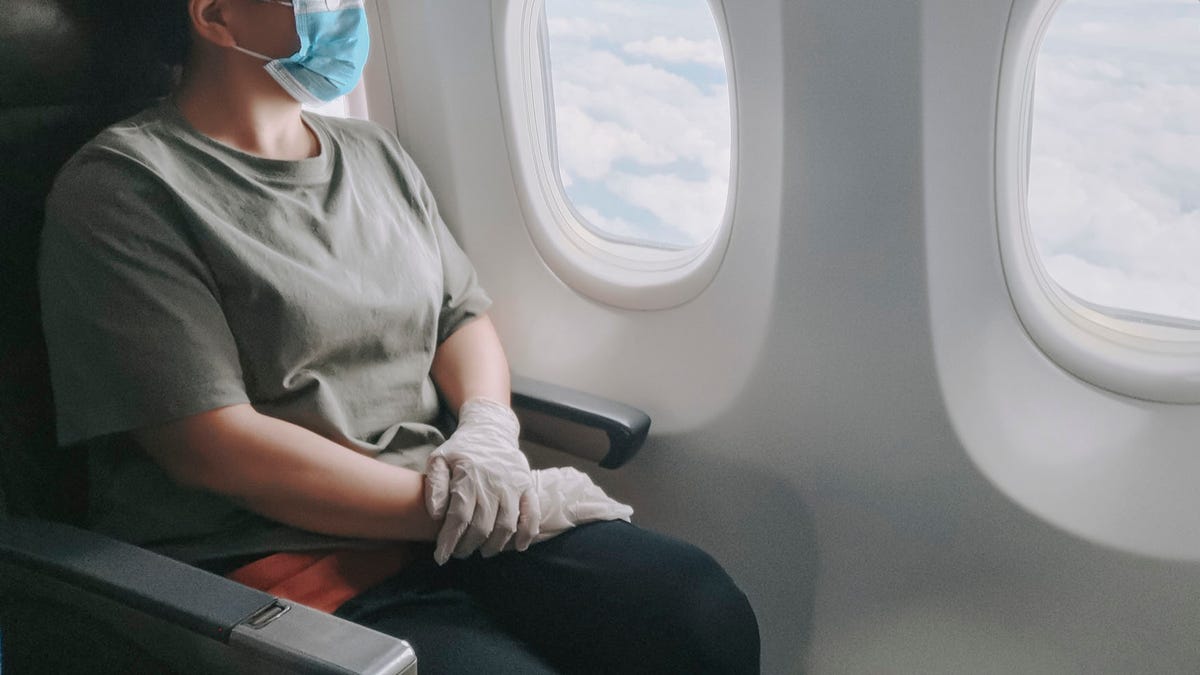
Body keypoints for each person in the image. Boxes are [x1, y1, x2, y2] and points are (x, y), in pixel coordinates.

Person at [37, 0, 761, 672]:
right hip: (273, 557)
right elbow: (214, 448)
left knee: (699, 612)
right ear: (217, 16)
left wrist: (487, 431)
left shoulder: (372, 154)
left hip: (448, 514)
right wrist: (467, 507)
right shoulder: (124, 189)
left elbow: (460, 316)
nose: (345, 7)